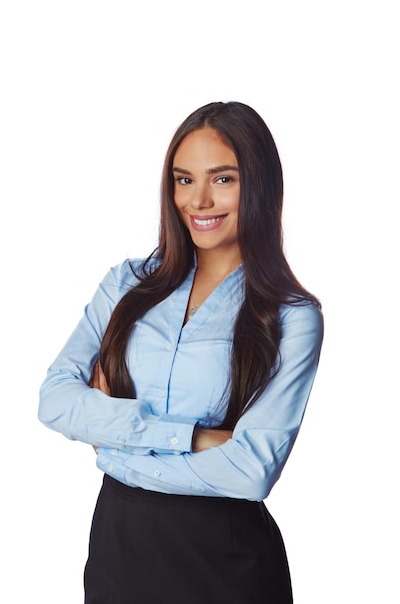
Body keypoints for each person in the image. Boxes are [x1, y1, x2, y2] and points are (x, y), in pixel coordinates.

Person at [39, 101, 323, 604]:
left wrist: (113, 442)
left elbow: (250, 470)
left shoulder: (291, 315)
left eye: (224, 179)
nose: (200, 200)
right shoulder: (126, 285)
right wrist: (193, 437)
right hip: (118, 551)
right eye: (184, 179)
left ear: (260, 185)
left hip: (227, 566)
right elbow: (55, 402)